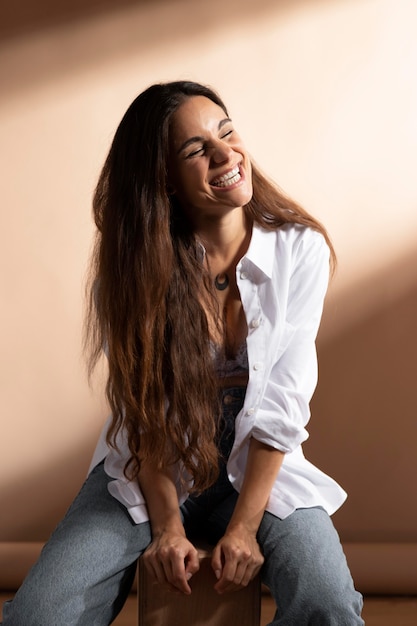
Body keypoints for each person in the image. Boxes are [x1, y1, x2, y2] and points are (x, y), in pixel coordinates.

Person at [1, 80, 364, 625]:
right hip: (154, 463)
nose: (225, 155)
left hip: (264, 466)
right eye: (195, 150)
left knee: (329, 606)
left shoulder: (299, 249)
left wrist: (243, 526)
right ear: (164, 182)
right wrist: (168, 526)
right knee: (37, 618)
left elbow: (282, 407)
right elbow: (145, 412)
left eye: (226, 132)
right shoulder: (133, 270)